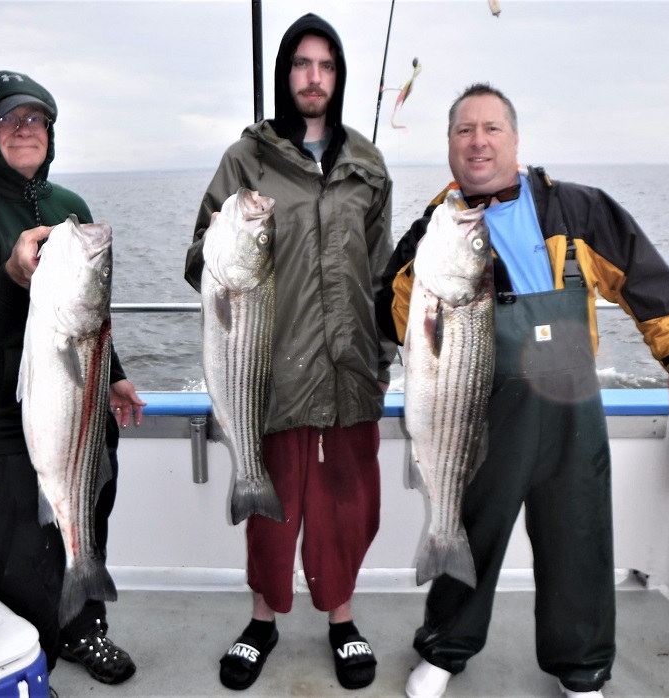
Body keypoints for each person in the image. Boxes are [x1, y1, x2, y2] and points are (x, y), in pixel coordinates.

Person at [375, 82, 669, 698]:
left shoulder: (574, 209)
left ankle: (581, 670)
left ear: (515, 139)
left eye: (491, 128)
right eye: (464, 130)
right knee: (469, 529)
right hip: (478, 410)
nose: (477, 141)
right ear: (449, 145)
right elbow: (392, 320)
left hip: (570, 413)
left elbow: (643, 275)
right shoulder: (434, 227)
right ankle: (446, 649)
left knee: (578, 537)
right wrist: (422, 275)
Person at [0, 70, 146, 687]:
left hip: (80, 416)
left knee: (83, 525)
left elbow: (89, 320)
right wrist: (11, 278)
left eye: (36, 118)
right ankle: (26, 664)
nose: (24, 129)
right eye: (8, 119)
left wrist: (115, 377)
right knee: (16, 566)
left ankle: (84, 629)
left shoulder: (70, 209)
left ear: (51, 130)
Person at [185, 14, 395, 691]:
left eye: (326, 65)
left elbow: (381, 272)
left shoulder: (368, 162)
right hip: (269, 374)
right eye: (302, 64)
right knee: (269, 516)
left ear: (339, 77)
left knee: (347, 509)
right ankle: (262, 620)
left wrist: (384, 354)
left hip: (350, 371)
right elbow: (198, 259)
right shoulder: (245, 161)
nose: (313, 77)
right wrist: (224, 241)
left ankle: (342, 618)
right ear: (285, 74)